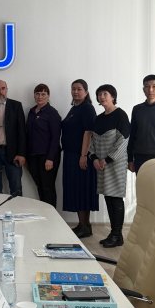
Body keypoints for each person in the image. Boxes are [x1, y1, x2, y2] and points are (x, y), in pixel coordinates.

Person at [89, 84, 130, 248]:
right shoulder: (98, 118)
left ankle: (117, 234)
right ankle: (114, 234)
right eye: (99, 94)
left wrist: (107, 159)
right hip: (100, 164)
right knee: (107, 197)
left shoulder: (120, 115)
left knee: (116, 198)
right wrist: (94, 158)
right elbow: (92, 140)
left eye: (105, 93)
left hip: (115, 164)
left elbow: (124, 141)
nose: (101, 97)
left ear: (113, 96)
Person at [62, 79, 98, 238]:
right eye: (73, 89)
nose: (75, 92)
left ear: (86, 92)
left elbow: (88, 132)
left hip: (81, 156)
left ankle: (85, 226)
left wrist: (83, 155)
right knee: (75, 190)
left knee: (82, 190)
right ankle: (82, 225)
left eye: (79, 89)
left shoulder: (87, 108)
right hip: (71, 155)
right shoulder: (75, 108)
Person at [26, 83, 61, 207]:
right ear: (34, 95)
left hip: (47, 157)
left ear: (48, 96)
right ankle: (44, 213)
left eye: (43, 94)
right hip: (33, 156)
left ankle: (51, 215)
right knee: (40, 186)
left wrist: (50, 158)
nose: (40, 97)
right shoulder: (31, 112)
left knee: (47, 187)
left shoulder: (52, 113)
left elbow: (55, 137)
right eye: (37, 94)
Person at [127, 74, 155, 173]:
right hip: (140, 156)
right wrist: (130, 159)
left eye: (154, 86)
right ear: (143, 90)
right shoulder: (137, 109)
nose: (150, 90)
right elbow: (132, 134)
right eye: (147, 86)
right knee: (142, 183)